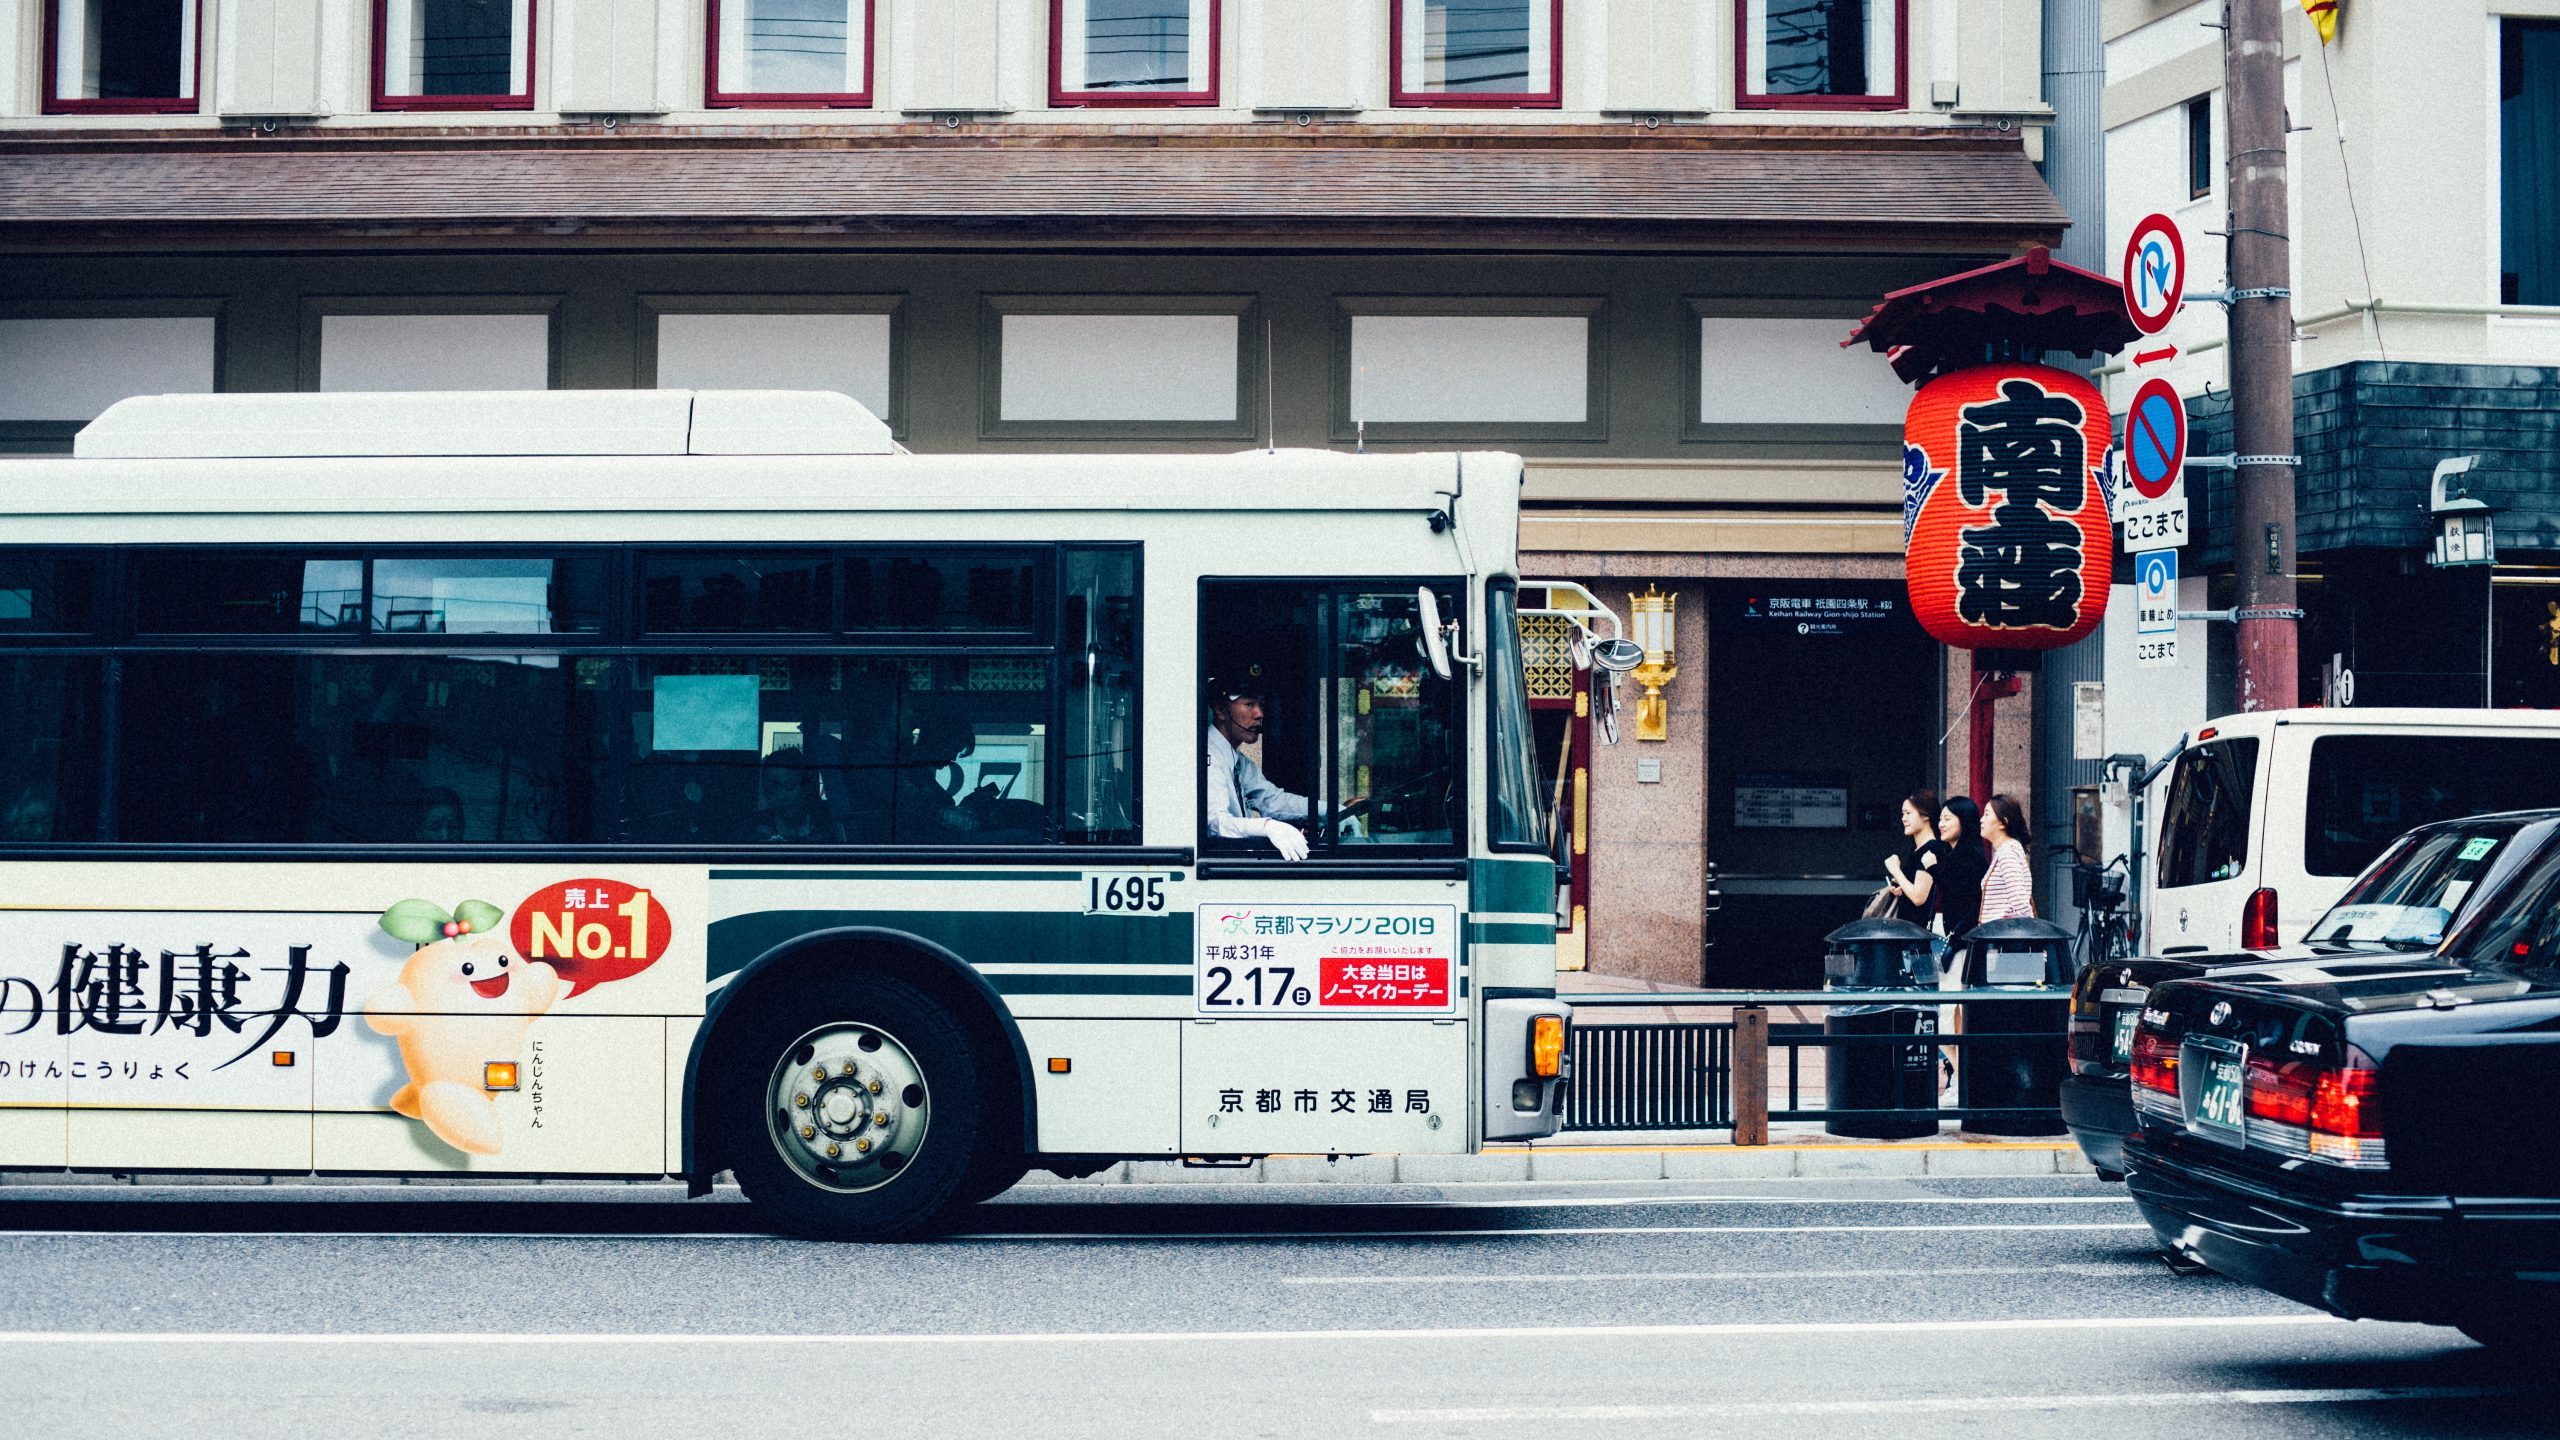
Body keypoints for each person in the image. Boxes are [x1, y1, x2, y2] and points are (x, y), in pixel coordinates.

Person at [1205, 674, 1312, 861]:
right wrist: (1267, 827)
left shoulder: (1239, 761)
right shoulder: (1207, 757)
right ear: (1221, 710)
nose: (1259, 714)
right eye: (1249, 704)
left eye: (1261, 705)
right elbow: (1216, 823)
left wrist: (1332, 812)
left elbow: (1272, 801)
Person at [1881, 789, 1945, 927]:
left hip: (1917, 935)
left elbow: (1918, 897)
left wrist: (1895, 870)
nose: (1903, 818)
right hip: (1908, 930)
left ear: (1925, 815)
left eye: (1908, 813)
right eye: (1903, 813)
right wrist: (1900, 886)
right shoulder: (1916, 849)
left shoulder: (1931, 849)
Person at [1933, 796, 1990, 948]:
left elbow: (1959, 894)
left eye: (1947, 819)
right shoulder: (1951, 853)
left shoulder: (1970, 855)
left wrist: (1933, 869)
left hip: (1965, 940)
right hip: (1957, 936)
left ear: (1964, 821)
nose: (1941, 825)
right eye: (1940, 819)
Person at [1980, 793, 2037, 922]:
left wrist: (2028, 930)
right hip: (2001, 935)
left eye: (1987, 814)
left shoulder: (2008, 853)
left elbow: (2020, 903)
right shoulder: (2007, 851)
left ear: (2003, 822)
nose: (1981, 819)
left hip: (2003, 938)